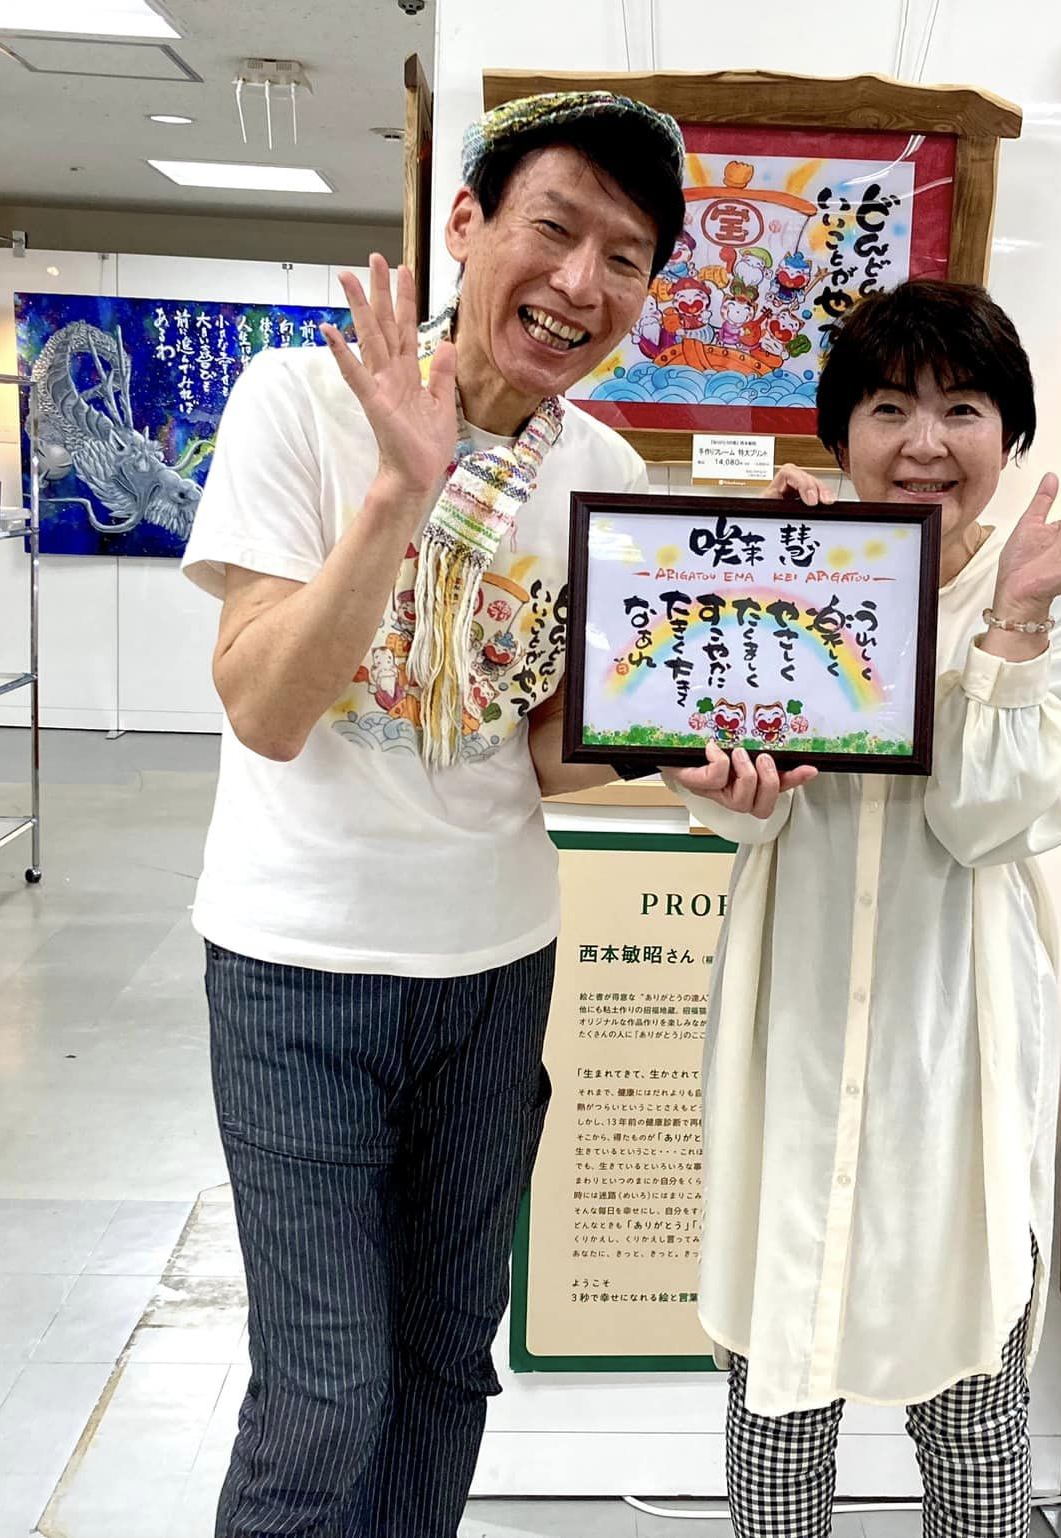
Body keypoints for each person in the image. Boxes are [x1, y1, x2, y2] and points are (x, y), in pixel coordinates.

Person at [177, 91, 684, 1536]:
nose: (580, 282)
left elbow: (544, 756)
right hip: (298, 969)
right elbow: (266, 706)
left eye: (625, 257)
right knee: (324, 1392)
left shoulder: (604, 477)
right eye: (554, 229)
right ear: (466, 224)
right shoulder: (301, 401)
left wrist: (702, 727)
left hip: (495, 970)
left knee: (445, 1363)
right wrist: (403, 488)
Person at [665, 280, 1061, 1536]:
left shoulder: (1052, 599)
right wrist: (718, 775)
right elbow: (740, 811)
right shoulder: (781, 567)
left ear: (1008, 435)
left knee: (971, 1389)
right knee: (778, 1376)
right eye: (889, 407)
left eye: (962, 409)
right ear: (839, 431)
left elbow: (986, 821)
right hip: (794, 1009)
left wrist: (1010, 621)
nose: (924, 442)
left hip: (954, 1022)